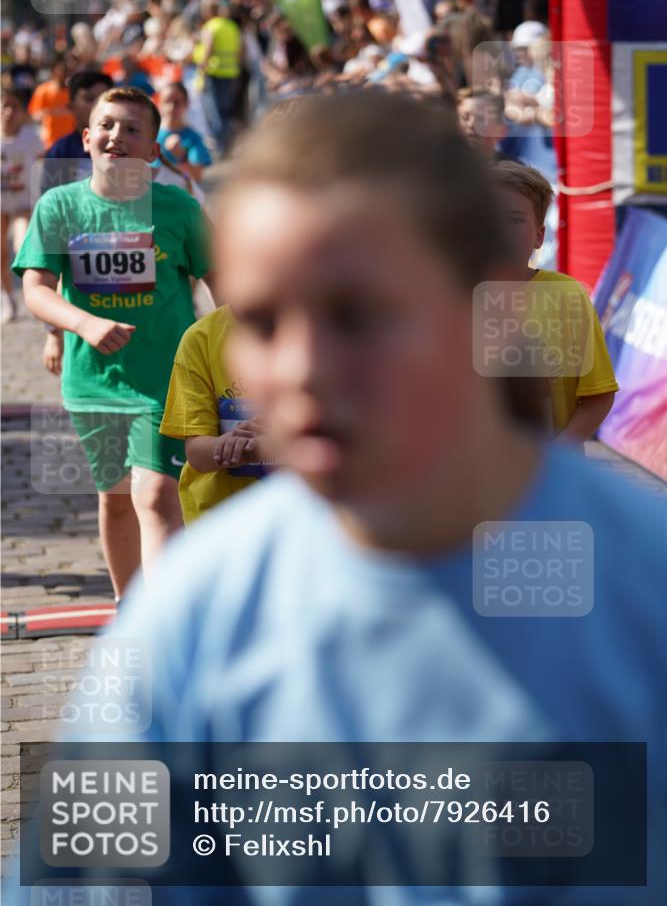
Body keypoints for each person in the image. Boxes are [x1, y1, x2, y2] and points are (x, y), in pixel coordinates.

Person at [39, 93, 665, 903]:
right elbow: (85, 880)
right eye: (263, 318)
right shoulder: (193, 609)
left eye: (356, 312)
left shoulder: (638, 583)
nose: (301, 367)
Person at [13, 87, 214, 601]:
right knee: (117, 498)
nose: (116, 137)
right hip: (93, 383)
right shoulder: (59, 206)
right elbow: (35, 289)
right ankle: (130, 606)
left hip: (167, 379)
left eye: (131, 129)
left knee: (155, 492)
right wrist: (81, 324)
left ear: (152, 149)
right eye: (106, 126)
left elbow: (228, 286)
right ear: (86, 137)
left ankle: (163, 625)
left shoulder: (179, 210)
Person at [490, 160, 618, 441]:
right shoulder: (449, 297)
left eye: (513, 220)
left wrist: (558, 458)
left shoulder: (566, 297)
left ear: (539, 236)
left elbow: (599, 395)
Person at [159, 305, 270, 523]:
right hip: (223, 519)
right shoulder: (200, 338)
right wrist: (233, 448)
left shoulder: (331, 331)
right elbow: (198, 453)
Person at [0, 89, 43, 321]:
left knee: (21, 247)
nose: (8, 112)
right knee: (0, 254)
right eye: (5, 106)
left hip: (23, 203)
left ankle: (35, 296)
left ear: (21, 111)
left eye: (14, 107)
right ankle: (8, 299)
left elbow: (43, 164)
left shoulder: (31, 137)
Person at [41, 69, 113, 188]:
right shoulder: (61, 151)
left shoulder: (125, 146)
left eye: (105, 99)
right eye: (89, 99)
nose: (98, 105)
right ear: (71, 106)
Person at [197, 0, 243, 155]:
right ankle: (228, 145)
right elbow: (239, 52)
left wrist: (201, 71)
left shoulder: (211, 27)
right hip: (230, 73)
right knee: (225, 112)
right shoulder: (232, 27)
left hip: (214, 74)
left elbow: (208, 49)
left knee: (214, 113)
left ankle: (221, 148)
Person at [156, 81, 212, 184]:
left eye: (177, 103)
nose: (171, 107)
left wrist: (181, 157)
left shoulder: (193, 138)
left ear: (186, 104)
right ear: (159, 103)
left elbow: (196, 177)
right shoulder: (149, 136)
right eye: (167, 101)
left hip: (181, 196)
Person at [27, 57, 75, 150]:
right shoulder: (43, 90)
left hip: (70, 142)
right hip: (50, 142)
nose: (64, 73)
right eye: (61, 69)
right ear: (53, 70)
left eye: (66, 69)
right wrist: (52, 112)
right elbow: (34, 115)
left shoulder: (73, 91)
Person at [457, 87, 507, 156]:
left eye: (481, 118)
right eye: (464, 117)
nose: (471, 124)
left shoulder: (511, 166)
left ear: (500, 130)